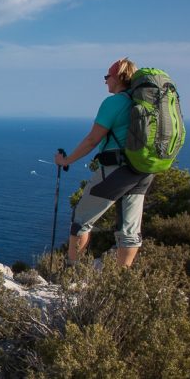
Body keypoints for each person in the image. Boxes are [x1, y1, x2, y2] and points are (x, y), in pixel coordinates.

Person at [54, 58, 154, 267]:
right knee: (130, 230)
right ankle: (122, 281)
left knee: (81, 220)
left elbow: (92, 140)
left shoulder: (115, 102)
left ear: (118, 77)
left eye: (107, 76)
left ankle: (71, 272)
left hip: (116, 171)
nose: (105, 81)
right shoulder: (144, 103)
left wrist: (66, 160)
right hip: (144, 171)